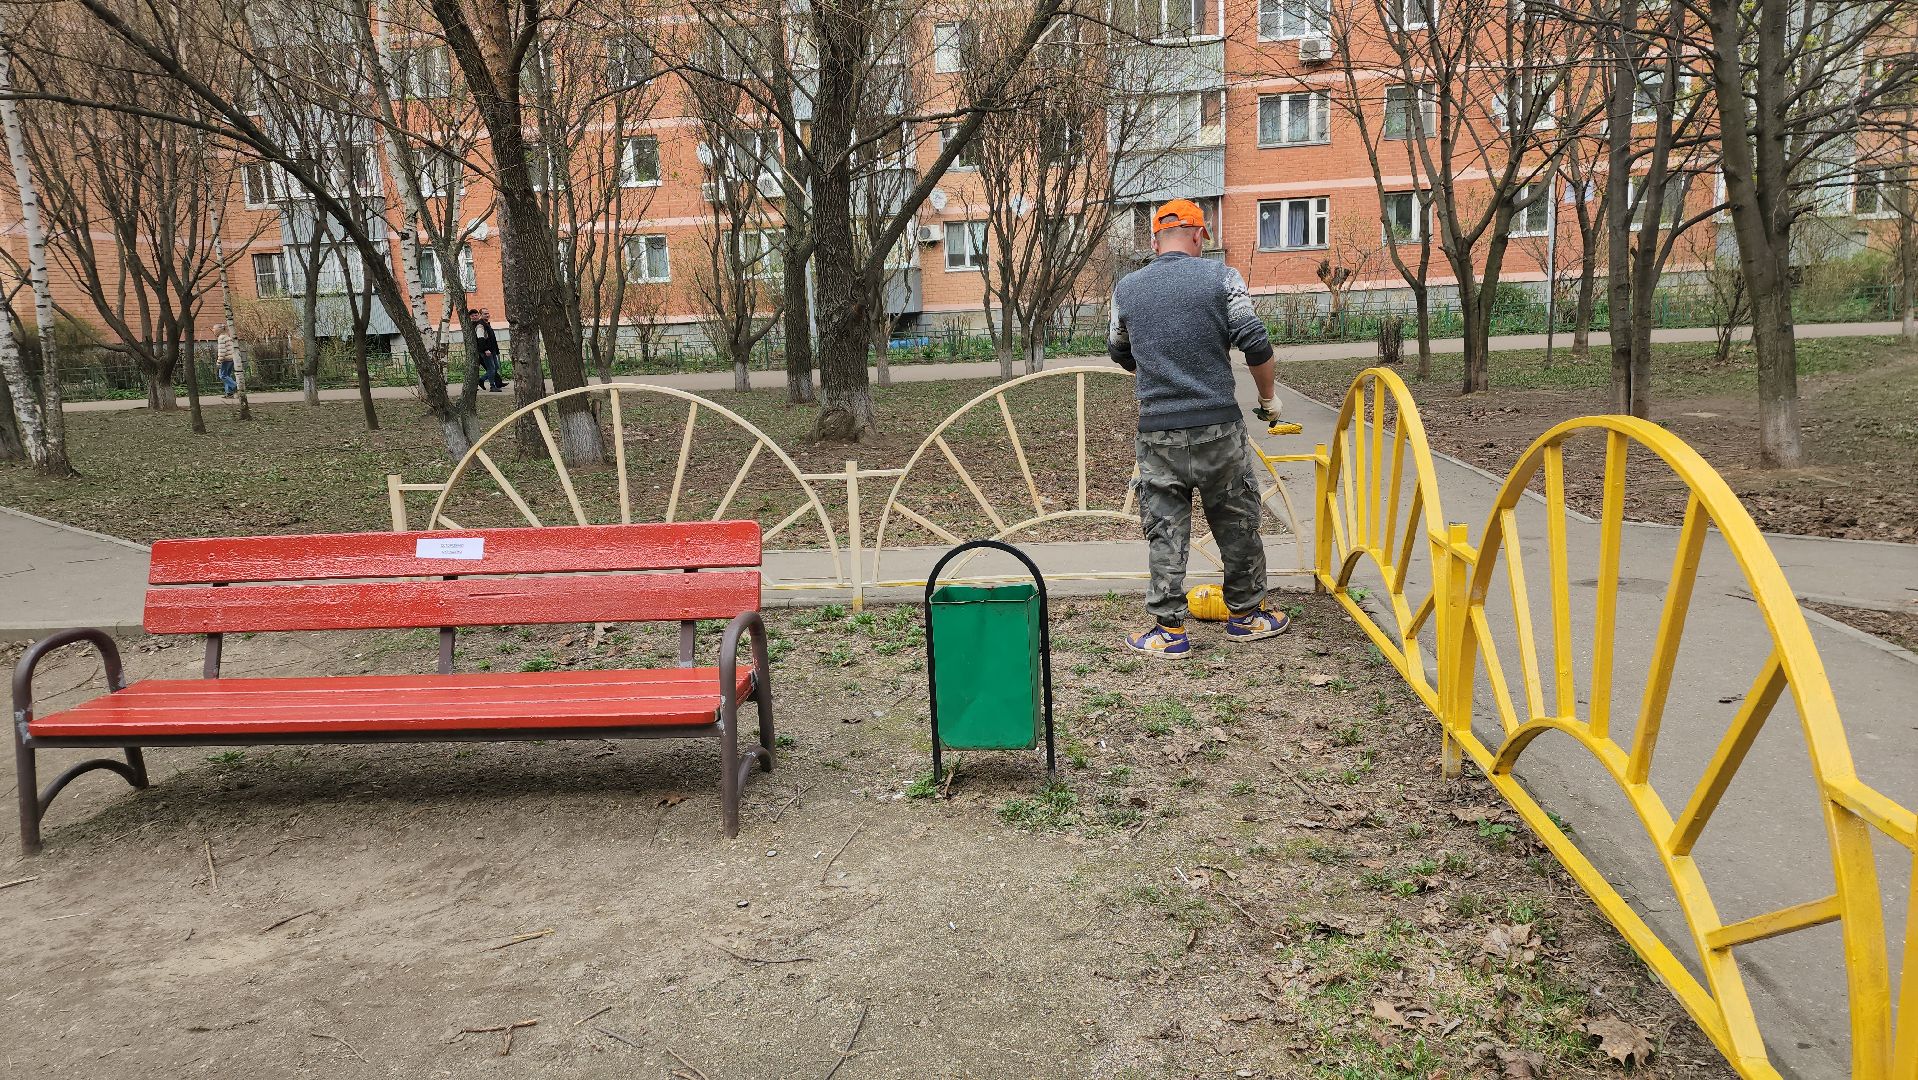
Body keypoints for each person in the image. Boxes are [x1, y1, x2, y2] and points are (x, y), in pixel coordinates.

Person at [1108, 198, 1288, 659]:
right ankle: (1247, 616)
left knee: (1165, 528)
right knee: (1236, 521)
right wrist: (1269, 403)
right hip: (1218, 429)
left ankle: (1168, 632)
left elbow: (1120, 352)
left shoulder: (1127, 289)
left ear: (1153, 240)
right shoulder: (1220, 277)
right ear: (1199, 235)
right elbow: (1256, 343)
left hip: (1158, 432)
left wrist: (1161, 370)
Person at [471, 308, 504, 392]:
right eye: (485, 314)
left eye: (488, 313)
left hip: (492, 350)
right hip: (486, 351)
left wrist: (496, 350)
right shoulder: (480, 325)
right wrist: (485, 350)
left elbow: (491, 339)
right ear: (481, 315)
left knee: (496, 367)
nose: (487, 315)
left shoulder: (487, 324)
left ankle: (481, 380)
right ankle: (492, 386)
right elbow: (480, 338)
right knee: (491, 368)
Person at [216, 330, 237, 398]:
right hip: (231, 358)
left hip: (225, 360)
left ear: (218, 329)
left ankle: (235, 386)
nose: (213, 330)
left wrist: (219, 361)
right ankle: (229, 393)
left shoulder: (221, 338)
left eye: (214, 329)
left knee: (222, 375)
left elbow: (222, 351)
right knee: (227, 376)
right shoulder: (227, 337)